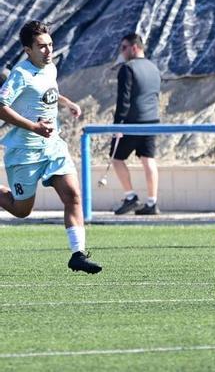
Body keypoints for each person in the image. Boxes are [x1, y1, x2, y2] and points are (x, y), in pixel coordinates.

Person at [0, 20, 102, 273]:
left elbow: (48, 92)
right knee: (21, 210)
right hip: (25, 151)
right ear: (28, 50)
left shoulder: (50, 68)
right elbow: (1, 107)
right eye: (42, 46)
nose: (49, 51)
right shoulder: (20, 74)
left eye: (50, 45)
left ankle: (78, 254)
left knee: (73, 195)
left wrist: (67, 103)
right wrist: (33, 127)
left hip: (53, 146)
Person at [111, 33, 162, 215]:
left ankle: (130, 196)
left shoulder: (127, 68)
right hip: (152, 120)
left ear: (134, 47)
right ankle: (152, 202)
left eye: (124, 48)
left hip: (132, 121)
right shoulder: (154, 68)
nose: (122, 52)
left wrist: (117, 125)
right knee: (148, 159)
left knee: (116, 158)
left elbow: (123, 100)